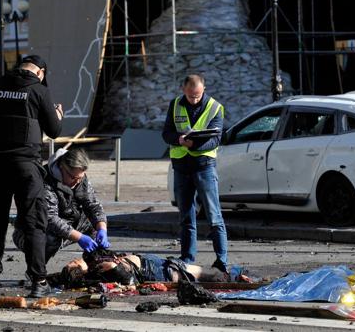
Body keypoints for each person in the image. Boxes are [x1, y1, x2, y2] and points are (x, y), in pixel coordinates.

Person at [0, 55, 62, 298]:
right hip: (26, 167)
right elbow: (54, 131)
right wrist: (58, 115)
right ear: (40, 72)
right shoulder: (39, 90)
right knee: (34, 223)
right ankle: (38, 281)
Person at [161, 74, 228, 273]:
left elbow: (216, 139)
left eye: (198, 95)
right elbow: (166, 133)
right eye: (191, 96)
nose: (194, 99)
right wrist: (179, 140)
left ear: (204, 89)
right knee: (186, 216)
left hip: (204, 165)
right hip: (181, 167)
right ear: (183, 89)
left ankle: (222, 260)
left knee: (214, 216)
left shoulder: (215, 107)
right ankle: (187, 258)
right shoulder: (175, 105)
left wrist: (196, 144)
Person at [13, 147, 110, 264]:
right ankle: (37, 272)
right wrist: (79, 237)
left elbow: (93, 205)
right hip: (31, 232)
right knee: (51, 237)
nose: (77, 182)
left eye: (80, 178)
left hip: (69, 222)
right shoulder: (44, 182)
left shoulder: (79, 178)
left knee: (95, 225)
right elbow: (50, 219)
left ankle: (95, 265)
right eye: (73, 178)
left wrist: (102, 229)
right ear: (61, 167)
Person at [56, 249, 250, 287]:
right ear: (78, 271)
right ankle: (238, 276)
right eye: (73, 264)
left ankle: (236, 274)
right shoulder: (101, 268)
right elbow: (127, 279)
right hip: (157, 270)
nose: (73, 260)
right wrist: (114, 266)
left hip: (153, 264)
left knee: (201, 273)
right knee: (204, 276)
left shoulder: (94, 262)